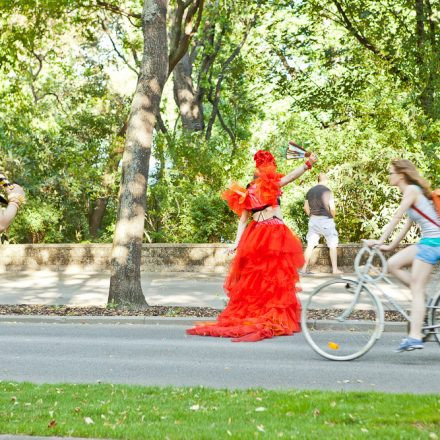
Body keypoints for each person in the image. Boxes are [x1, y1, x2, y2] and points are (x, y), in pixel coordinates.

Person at [186, 149, 317, 342]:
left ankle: (259, 312)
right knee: (274, 278)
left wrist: (237, 243)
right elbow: (289, 177)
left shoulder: (247, 191)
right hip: (273, 234)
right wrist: (307, 165)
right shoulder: (270, 186)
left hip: (256, 235)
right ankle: (271, 313)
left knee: (258, 278)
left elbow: (243, 221)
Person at [365, 159, 440, 352]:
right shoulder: (412, 192)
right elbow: (407, 224)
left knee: (416, 287)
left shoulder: (412, 191)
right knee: (392, 264)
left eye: (391, 172)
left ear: (401, 175)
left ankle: (414, 337)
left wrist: (379, 240)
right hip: (428, 242)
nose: (389, 176)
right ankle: (422, 297)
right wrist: (389, 246)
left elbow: (397, 217)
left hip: (433, 243)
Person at [301, 173, 342, 275]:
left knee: (310, 245)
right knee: (332, 244)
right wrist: (332, 217)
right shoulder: (327, 191)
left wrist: (312, 215)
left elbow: (306, 207)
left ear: (317, 180)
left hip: (313, 220)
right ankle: (335, 269)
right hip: (326, 220)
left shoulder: (310, 191)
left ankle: (303, 269)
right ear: (326, 180)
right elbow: (332, 208)